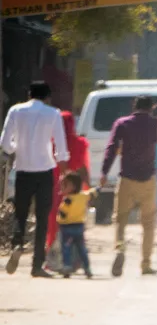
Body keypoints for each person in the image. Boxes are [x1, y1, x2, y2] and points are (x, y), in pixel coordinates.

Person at [2, 82, 68, 277]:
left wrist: (17, 148)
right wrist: (64, 168)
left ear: (29, 94)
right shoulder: (53, 113)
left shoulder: (15, 110)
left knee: (20, 214)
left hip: (22, 170)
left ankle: (17, 244)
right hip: (45, 171)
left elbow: (5, 143)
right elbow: (61, 147)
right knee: (42, 219)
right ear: (47, 97)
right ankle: (37, 265)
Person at [100, 95, 157, 277]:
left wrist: (104, 172)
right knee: (149, 223)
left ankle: (120, 250)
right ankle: (145, 264)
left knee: (120, 220)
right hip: (148, 180)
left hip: (127, 179)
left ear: (134, 106)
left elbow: (112, 147)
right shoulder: (154, 124)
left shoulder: (122, 123)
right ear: (150, 108)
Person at [45, 109, 91, 272]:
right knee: (75, 226)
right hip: (75, 193)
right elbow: (84, 169)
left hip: (54, 190)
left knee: (53, 225)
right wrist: (88, 190)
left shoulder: (50, 143)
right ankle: (76, 260)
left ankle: (51, 260)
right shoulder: (80, 143)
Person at [56, 170, 96, 279]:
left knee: (66, 247)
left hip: (67, 227)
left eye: (65, 185)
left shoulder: (68, 200)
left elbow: (63, 213)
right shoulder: (83, 196)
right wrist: (98, 188)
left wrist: (59, 219)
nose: (62, 188)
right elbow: (92, 193)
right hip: (79, 226)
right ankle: (87, 268)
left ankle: (67, 266)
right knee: (81, 248)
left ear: (72, 187)